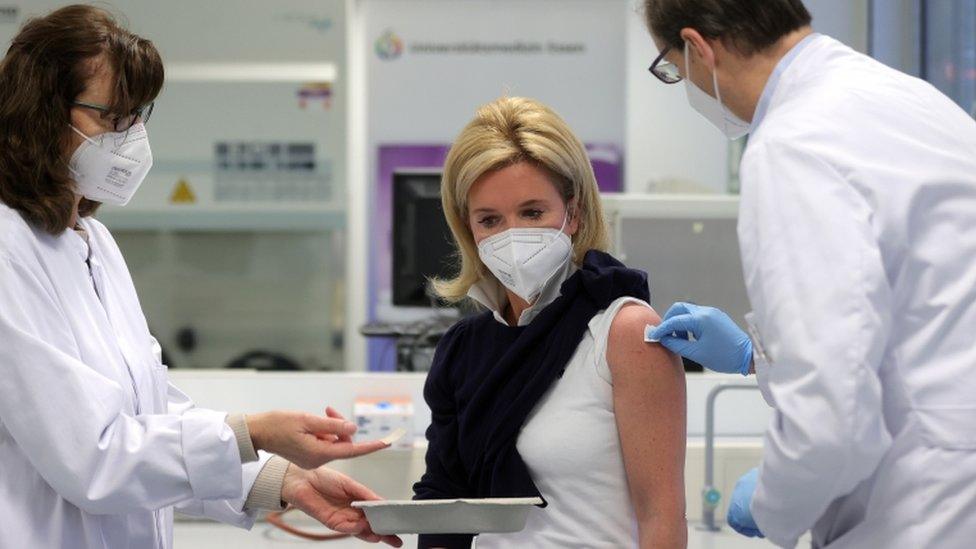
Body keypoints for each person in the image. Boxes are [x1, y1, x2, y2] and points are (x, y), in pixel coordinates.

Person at [0, 6, 401, 548]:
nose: (132, 137)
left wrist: (280, 479)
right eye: (113, 118)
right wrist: (251, 432)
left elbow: (151, 412)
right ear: (40, 114)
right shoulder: (8, 248)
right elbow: (94, 457)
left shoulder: (95, 244)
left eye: (139, 117)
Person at [641, 0, 976, 547]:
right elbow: (914, 317)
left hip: (921, 507)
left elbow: (832, 423)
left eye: (674, 69)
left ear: (699, 48)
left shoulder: (793, 145)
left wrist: (774, 504)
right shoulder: (909, 99)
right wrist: (758, 359)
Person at [412, 96, 687, 549]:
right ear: (469, 228)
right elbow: (444, 497)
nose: (511, 235)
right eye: (490, 220)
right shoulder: (464, 348)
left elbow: (663, 520)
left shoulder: (624, 333)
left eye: (533, 213)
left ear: (573, 214)